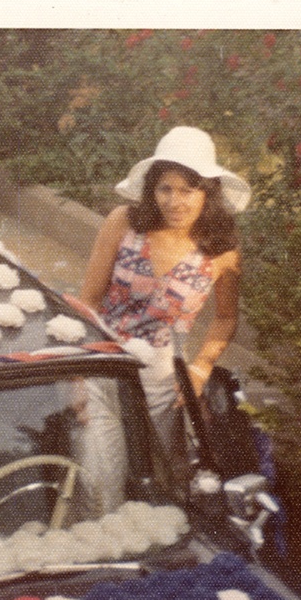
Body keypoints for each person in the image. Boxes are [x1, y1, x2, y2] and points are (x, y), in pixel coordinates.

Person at [77, 126, 249, 462]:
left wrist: (200, 368)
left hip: (162, 383)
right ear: (151, 190)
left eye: (187, 191)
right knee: (99, 471)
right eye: (165, 189)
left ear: (207, 193)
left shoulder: (222, 251)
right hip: (103, 364)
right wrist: (77, 377)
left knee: (155, 474)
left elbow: (226, 317)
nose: (174, 201)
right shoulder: (123, 223)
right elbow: (88, 302)